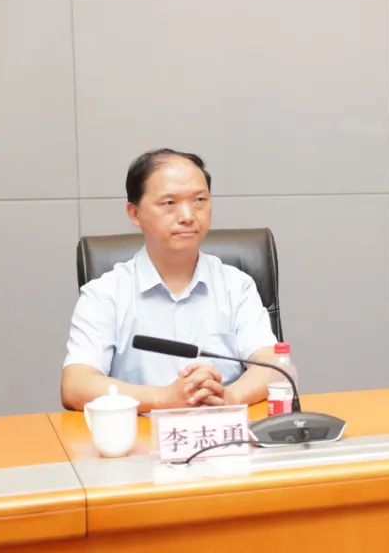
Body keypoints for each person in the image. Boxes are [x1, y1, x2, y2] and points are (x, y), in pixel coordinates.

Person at [61, 149, 277, 412]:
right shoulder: (105, 294)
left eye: (199, 200)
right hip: (140, 432)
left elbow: (274, 366)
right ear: (134, 213)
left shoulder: (236, 286)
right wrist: (164, 398)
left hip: (221, 428)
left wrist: (228, 397)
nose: (187, 215)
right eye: (169, 203)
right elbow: (76, 385)